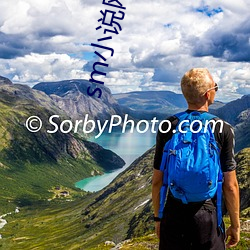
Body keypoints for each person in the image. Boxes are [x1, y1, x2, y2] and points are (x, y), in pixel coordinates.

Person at [152, 68, 240, 250]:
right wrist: (235, 225)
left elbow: (157, 181)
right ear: (208, 94)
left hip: (174, 212)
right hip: (207, 215)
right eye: (216, 87)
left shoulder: (168, 125)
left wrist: (158, 218)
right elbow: (230, 185)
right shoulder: (222, 129)